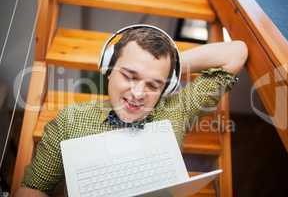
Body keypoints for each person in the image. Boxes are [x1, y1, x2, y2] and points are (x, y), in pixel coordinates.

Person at [14, 25, 248, 196]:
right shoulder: (70, 120)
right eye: (129, 75)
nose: (138, 93)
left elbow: (236, 52)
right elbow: (30, 190)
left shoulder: (177, 110)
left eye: (153, 84)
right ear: (108, 68)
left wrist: (170, 68)